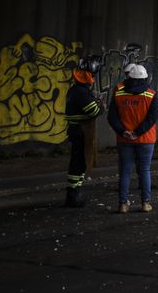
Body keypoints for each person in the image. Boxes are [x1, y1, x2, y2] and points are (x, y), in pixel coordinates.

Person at [108, 63, 158, 213]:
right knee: (144, 170)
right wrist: (138, 132)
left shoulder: (119, 94)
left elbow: (112, 117)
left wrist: (123, 131)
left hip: (124, 140)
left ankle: (123, 204)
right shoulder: (151, 95)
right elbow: (152, 118)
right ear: (145, 78)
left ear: (129, 77)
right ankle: (145, 203)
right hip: (146, 139)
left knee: (125, 171)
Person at [64, 55, 103, 208]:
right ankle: (72, 196)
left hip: (76, 131)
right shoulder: (81, 92)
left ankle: (74, 193)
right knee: (78, 164)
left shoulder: (75, 90)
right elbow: (93, 111)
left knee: (80, 164)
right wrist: (101, 107)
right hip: (81, 132)